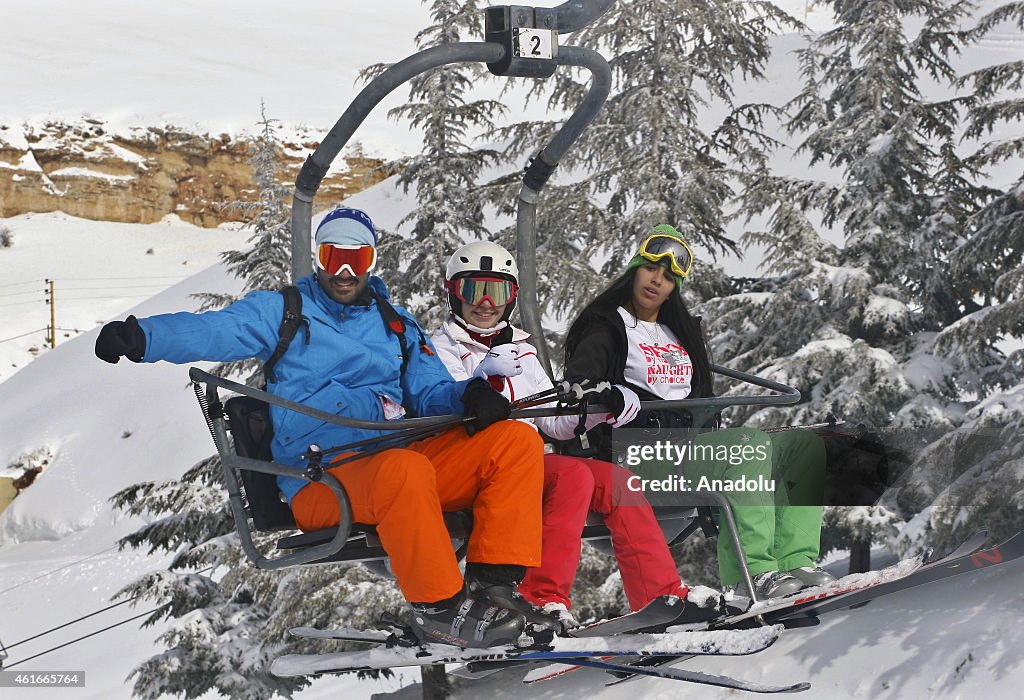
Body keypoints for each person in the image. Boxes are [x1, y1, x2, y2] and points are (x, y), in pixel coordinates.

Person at [94, 207, 546, 648]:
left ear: (372, 261)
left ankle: (494, 589)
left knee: (514, 442)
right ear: (318, 257)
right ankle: (439, 609)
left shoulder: (395, 323)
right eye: (334, 257)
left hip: (396, 462)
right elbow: (215, 329)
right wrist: (143, 337)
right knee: (402, 471)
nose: (345, 271)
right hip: (321, 479)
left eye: (358, 259)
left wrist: (468, 395)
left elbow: (429, 390)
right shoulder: (285, 312)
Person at [430, 241, 723, 629]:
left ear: (511, 297)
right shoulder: (438, 349)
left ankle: (659, 593)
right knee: (574, 475)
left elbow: (551, 422)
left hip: (528, 461)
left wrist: (598, 411)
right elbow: (442, 407)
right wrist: (484, 376)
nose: (485, 302)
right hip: (476, 467)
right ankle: (539, 597)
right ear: (454, 292)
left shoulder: (522, 351)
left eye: (497, 290)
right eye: (473, 289)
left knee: (619, 482)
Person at [561, 226, 835, 599]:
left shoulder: (680, 333)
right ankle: (752, 571)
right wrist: (613, 396)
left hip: (687, 449)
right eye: (652, 269)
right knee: (744, 446)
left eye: (670, 277)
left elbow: (701, 397)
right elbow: (581, 385)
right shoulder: (607, 326)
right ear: (635, 269)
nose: (658, 281)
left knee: (805, 445)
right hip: (635, 454)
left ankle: (795, 561)